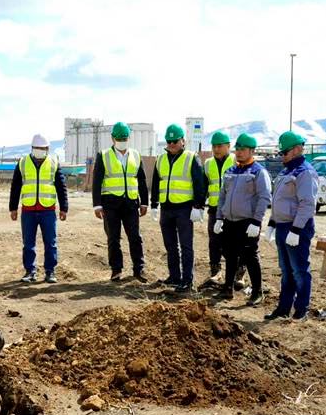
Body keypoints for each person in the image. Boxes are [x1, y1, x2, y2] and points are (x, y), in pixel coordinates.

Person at [264, 131, 319, 321]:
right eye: (281, 152)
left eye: (284, 152)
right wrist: (272, 222)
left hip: (297, 228)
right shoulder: (285, 171)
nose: (282, 156)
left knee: (300, 270)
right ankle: (284, 307)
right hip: (282, 227)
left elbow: (307, 204)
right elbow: (278, 201)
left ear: (297, 149)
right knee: (286, 271)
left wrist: (296, 230)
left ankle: (301, 309)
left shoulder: (305, 172)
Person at [213, 133, 271, 304]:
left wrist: (256, 221)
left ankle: (257, 292)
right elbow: (223, 196)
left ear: (252, 151)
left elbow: (264, 197)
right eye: (237, 149)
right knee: (230, 256)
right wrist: (219, 217)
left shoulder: (258, 172)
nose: (239, 153)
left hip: (247, 223)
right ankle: (227, 288)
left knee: (250, 256)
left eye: (243, 149)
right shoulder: (230, 171)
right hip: (230, 222)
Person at [150, 123, 207, 293]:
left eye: (175, 141)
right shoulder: (160, 159)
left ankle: (187, 280)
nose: (172, 144)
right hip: (167, 209)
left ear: (183, 141)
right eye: (169, 141)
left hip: (184, 209)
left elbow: (200, 184)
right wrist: (154, 204)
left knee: (186, 246)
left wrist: (198, 206)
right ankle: (174, 277)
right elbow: (155, 183)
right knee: (170, 245)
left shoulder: (191, 157)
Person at [92, 122, 149, 282]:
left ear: (128, 138)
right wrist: (97, 205)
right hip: (110, 204)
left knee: (135, 237)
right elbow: (97, 181)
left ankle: (139, 269)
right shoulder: (103, 155)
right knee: (113, 238)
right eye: (119, 138)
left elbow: (142, 180)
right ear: (112, 138)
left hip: (131, 203)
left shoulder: (136, 155)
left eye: (124, 138)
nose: (122, 141)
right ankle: (116, 270)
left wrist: (144, 202)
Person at [9, 134, 68, 284]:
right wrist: (13, 208)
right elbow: (15, 187)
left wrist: (64, 207)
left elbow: (61, 186)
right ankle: (30, 271)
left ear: (47, 149)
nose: (40, 150)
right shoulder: (22, 162)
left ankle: (50, 271)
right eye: (37, 148)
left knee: (51, 242)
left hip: (48, 210)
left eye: (43, 148)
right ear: (32, 148)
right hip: (28, 210)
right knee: (28, 243)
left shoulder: (54, 162)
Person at [203, 131, 244, 289]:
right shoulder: (208, 164)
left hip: (233, 212)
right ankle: (215, 272)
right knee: (214, 242)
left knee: (236, 244)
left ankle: (239, 275)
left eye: (220, 146)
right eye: (214, 146)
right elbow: (204, 186)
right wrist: (198, 205)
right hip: (214, 210)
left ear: (228, 146)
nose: (216, 149)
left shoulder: (237, 161)